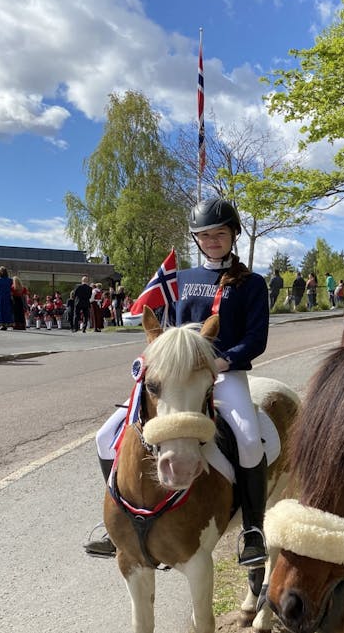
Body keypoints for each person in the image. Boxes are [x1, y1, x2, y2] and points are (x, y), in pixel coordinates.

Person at [85, 197, 271, 568]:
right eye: (205, 235)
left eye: (220, 234)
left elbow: (256, 338)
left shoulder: (251, 284)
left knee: (249, 440)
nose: (212, 241)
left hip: (224, 372)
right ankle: (117, 522)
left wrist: (219, 361)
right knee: (105, 437)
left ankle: (253, 530)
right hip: (176, 379)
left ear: (234, 235)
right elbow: (163, 329)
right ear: (196, 239)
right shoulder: (179, 280)